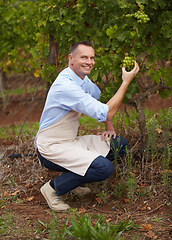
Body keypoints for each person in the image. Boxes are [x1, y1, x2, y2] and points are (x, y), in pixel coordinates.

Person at [36, 41, 139, 211]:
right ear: (71, 58)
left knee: (119, 145)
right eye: (83, 57)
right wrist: (125, 82)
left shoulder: (82, 80)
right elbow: (107, 112)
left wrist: (110, 128)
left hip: (69, 142)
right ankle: (53, 189)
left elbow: (103, 103)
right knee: (104, 169)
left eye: (92, 58)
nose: (89, 62)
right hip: (50, 148)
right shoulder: (66, 86)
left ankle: (72, 180)